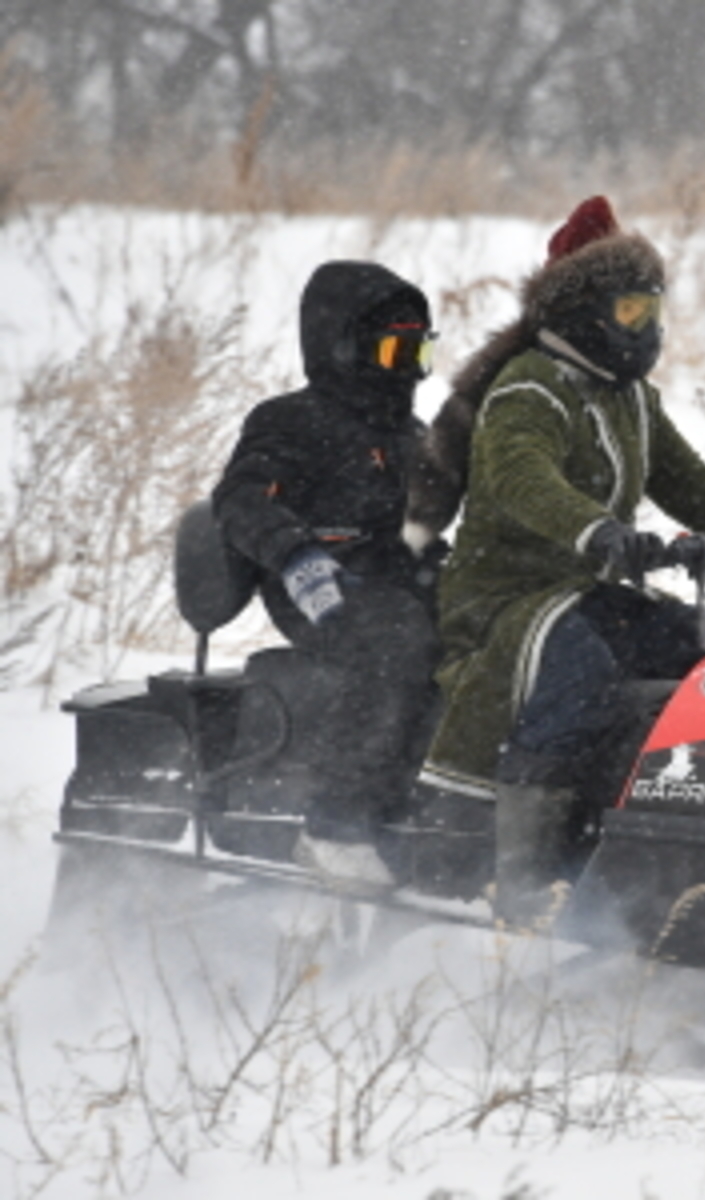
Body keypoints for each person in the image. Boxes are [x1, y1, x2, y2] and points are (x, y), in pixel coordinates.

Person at [408, 196, 705, 923]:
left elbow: (689, 483)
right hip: (504, 598)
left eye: (654, 310)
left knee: (704, 650)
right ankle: (526, 882)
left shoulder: (632, 398)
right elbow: (523, 479)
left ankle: (672, 848)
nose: (648, 328)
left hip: (579, 590)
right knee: (579, 669)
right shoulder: (529, 388)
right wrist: (599, 532)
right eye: (631, 311)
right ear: (583, 310)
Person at [213, 260, 444, 888]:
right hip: (316, 584)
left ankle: (444, 813)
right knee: (394, 642)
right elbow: (240, 499)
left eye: (419, 352)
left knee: (490, 634)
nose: (407, 370)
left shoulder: (412, 433)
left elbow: (422, 526)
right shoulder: (290, 420)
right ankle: (334, 826)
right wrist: (296, 554)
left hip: (398, 580)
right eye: (395, 351)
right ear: (345, 346)